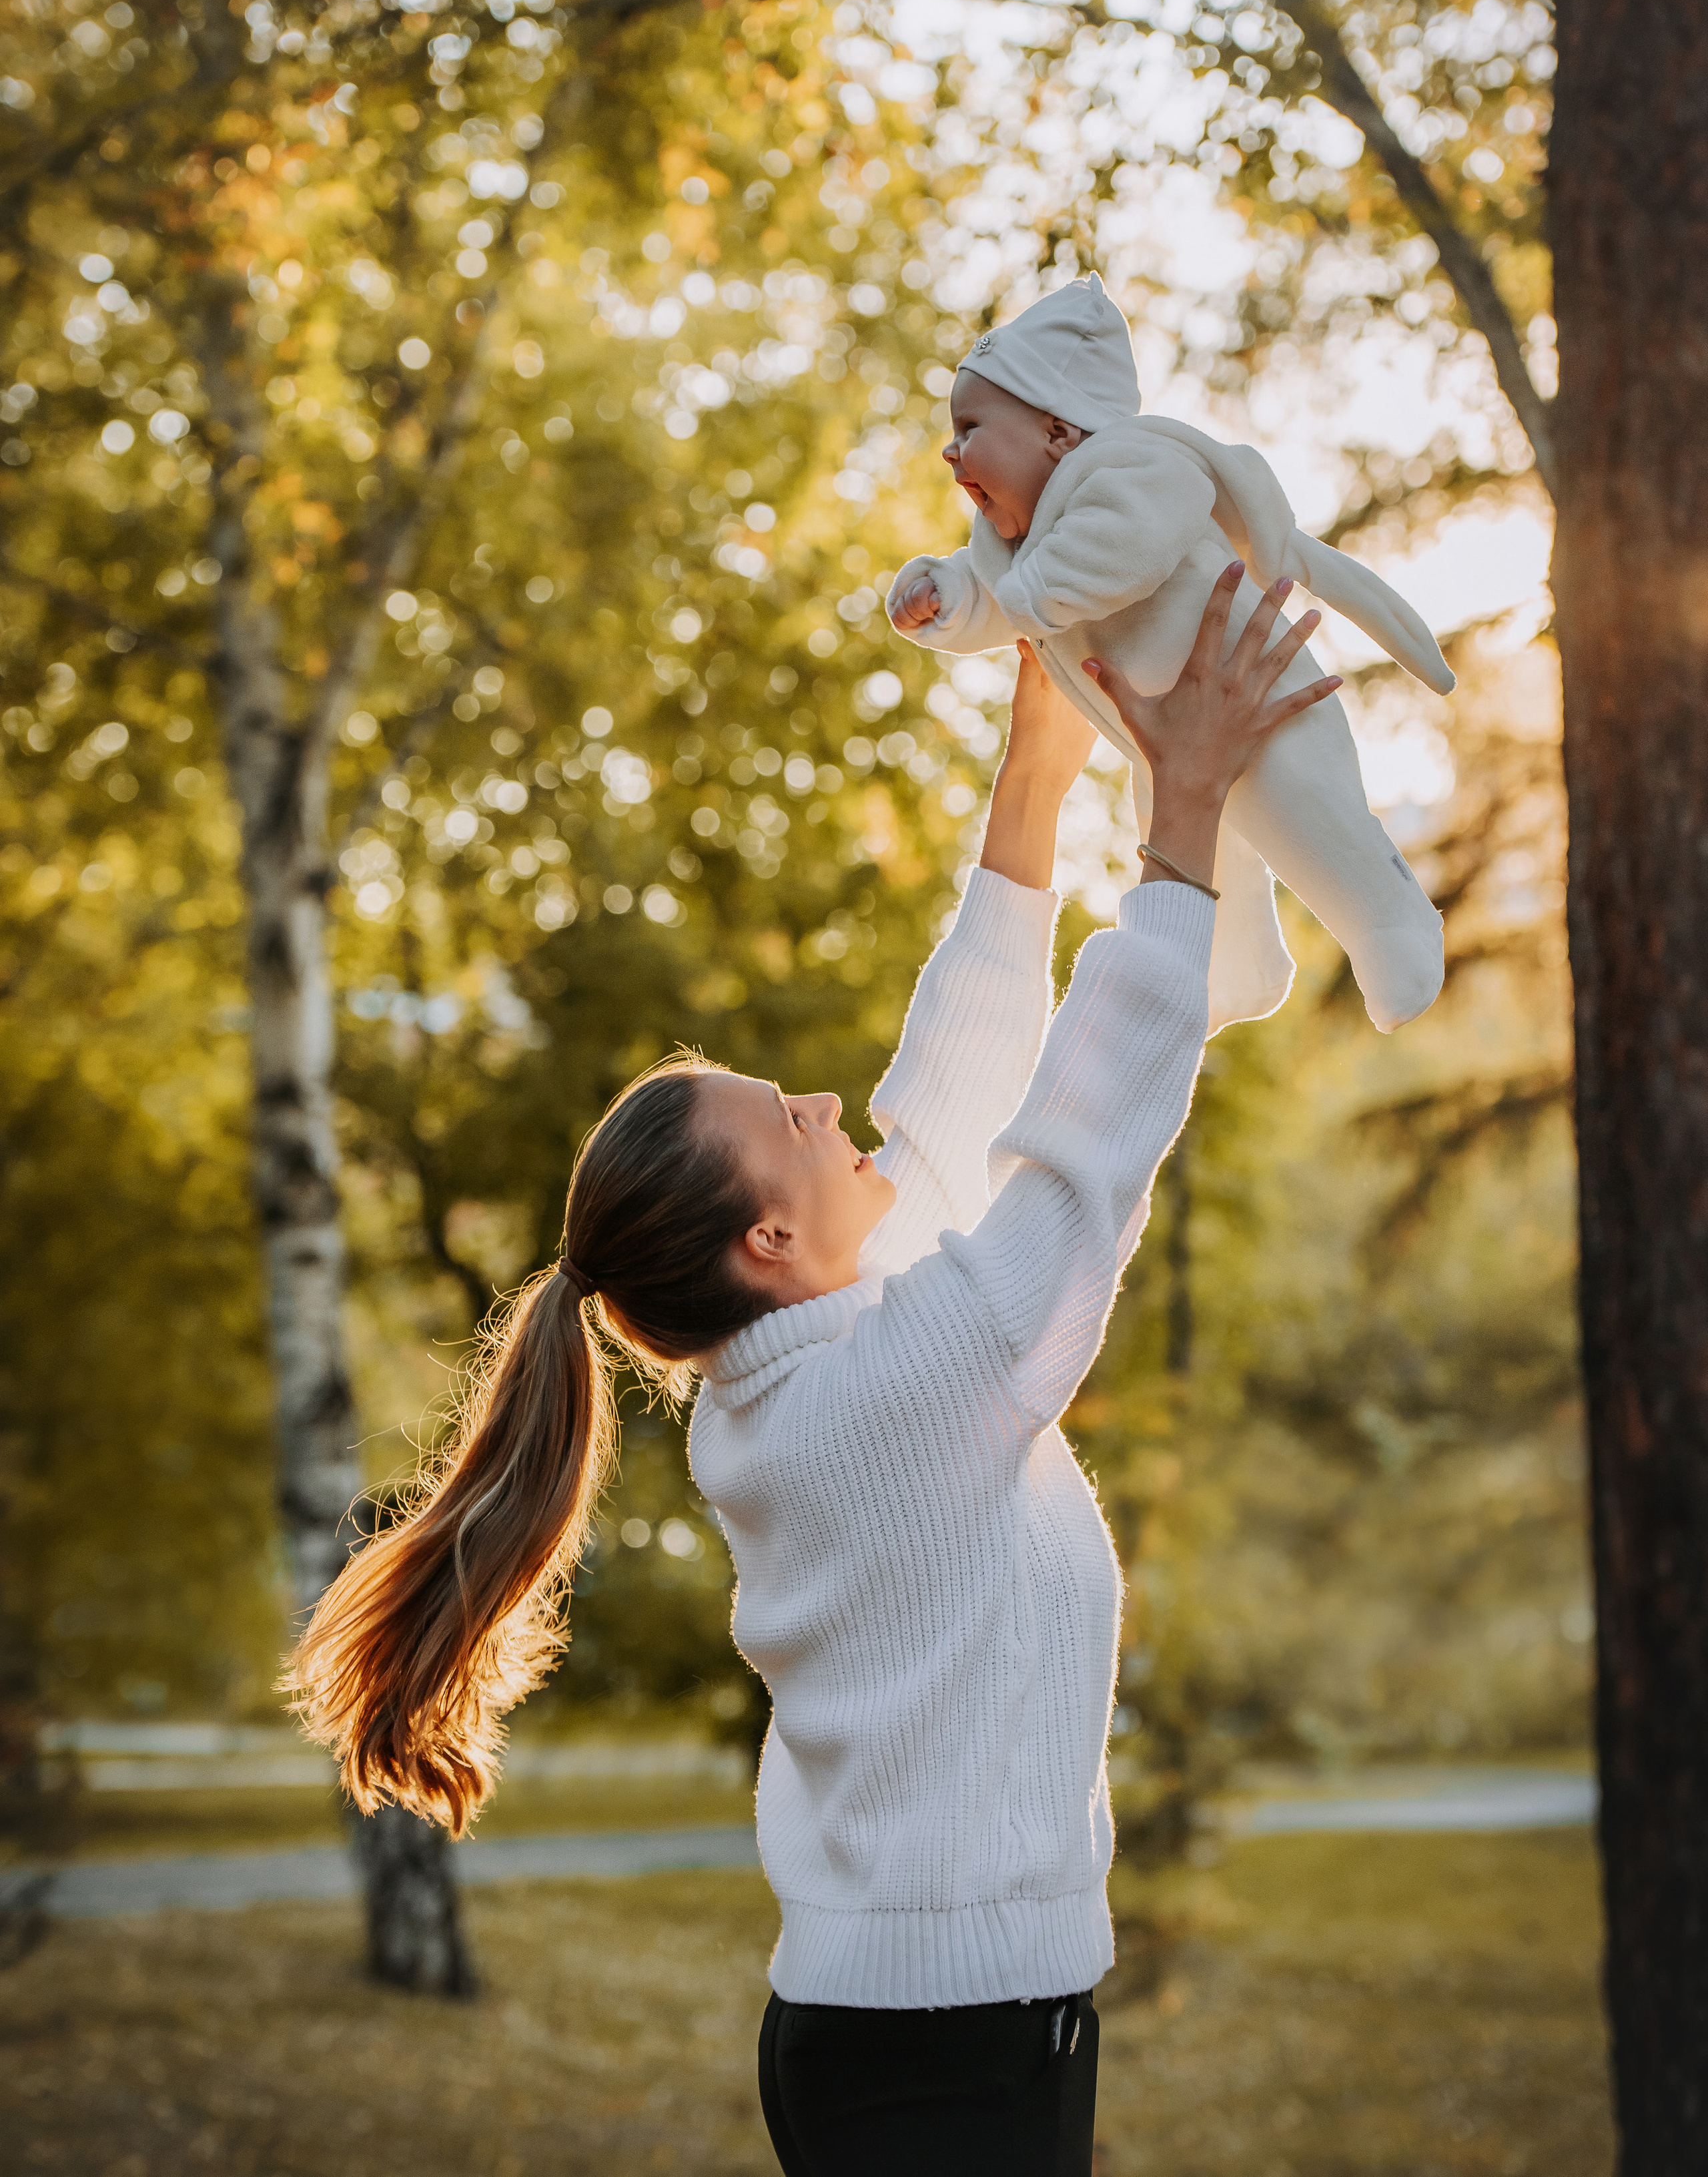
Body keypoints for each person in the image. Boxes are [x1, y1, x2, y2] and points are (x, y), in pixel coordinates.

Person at [288, 563, 1341, 2175]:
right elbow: (1074, 1161)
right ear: (766, 1244)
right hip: (943, 2066)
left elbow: (955, 1085)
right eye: (787, 1119)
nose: (828, 1109)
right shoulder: (887, 1394)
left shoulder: (828, 1367)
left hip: (936, 2038)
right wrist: (1178, 828)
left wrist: (1035, 759)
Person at [886, 273, 1449, 1036]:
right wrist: (938, 597)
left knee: (1309, 820)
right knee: (1198, 860)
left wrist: (1014, 600)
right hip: (1162, 738)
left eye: (971, 427)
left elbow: (1115, 553)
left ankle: (1394, 923)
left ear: (1057, 431)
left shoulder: (1133, 467)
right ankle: (1238, 971)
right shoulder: (1018, 551)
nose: (951, 453)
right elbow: (995, 598)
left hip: (1258, 696)